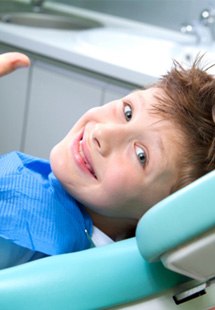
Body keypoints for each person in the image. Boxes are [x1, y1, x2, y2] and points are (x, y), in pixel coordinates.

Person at [0, 52, 214, 269]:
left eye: (141, 155)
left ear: (160, 214)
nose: (102, 133)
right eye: (128, 112)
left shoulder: (30, 244)